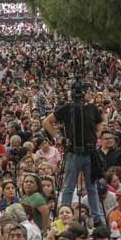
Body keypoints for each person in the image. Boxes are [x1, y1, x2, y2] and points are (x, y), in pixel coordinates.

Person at [43, 85, 105, 227]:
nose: (80, 96)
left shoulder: (92, 108)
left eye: (81, 93)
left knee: (92, 187)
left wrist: (97, 134)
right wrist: (59, 138)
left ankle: (97, 219)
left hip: (90, 153)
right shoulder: (67, 108)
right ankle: (63, 217)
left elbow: (101, 120)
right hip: (73, 153)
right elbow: (46, 122)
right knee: (69, 187)